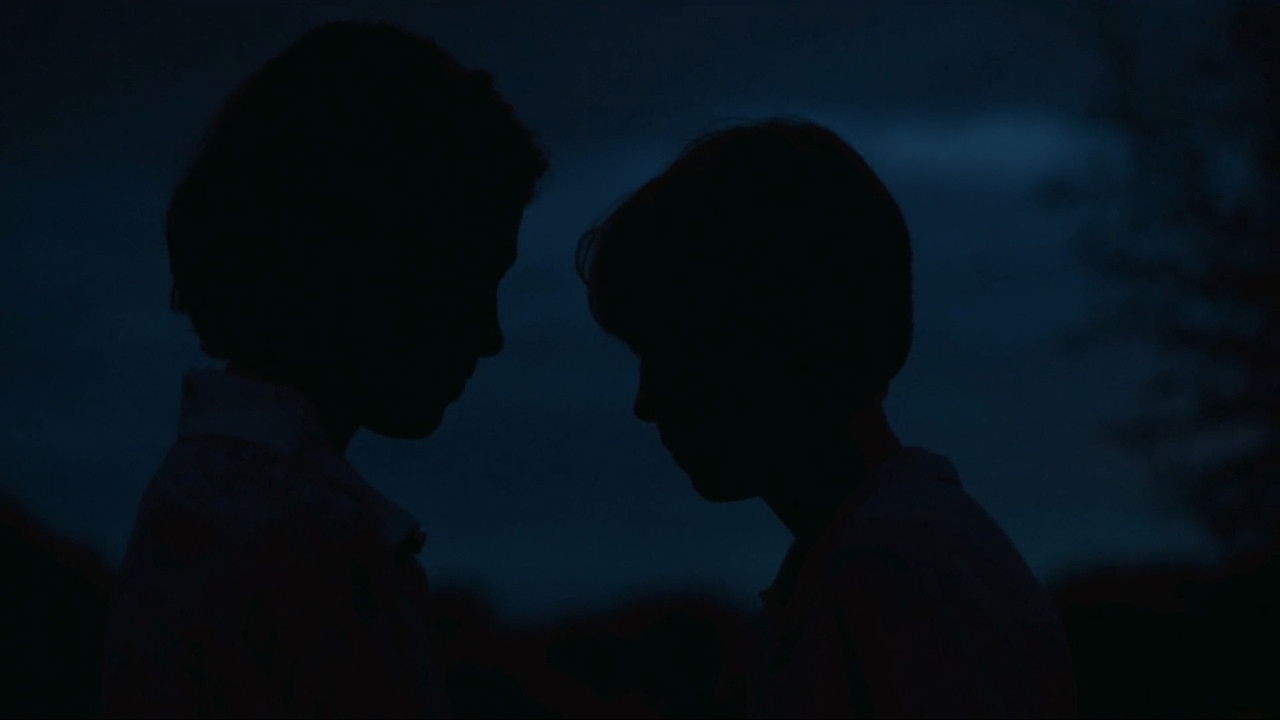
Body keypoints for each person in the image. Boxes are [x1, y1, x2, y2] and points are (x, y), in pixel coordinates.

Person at [101, 21, 546, 718]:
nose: (489, 336)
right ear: (359, 266)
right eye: (468, 280)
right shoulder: (297, 540)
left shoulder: (224, 505)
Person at [576, 119, 1077, 718]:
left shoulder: (897, 569)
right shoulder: (877, 562)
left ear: (781, 341)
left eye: (672, 354)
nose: (646, 402)